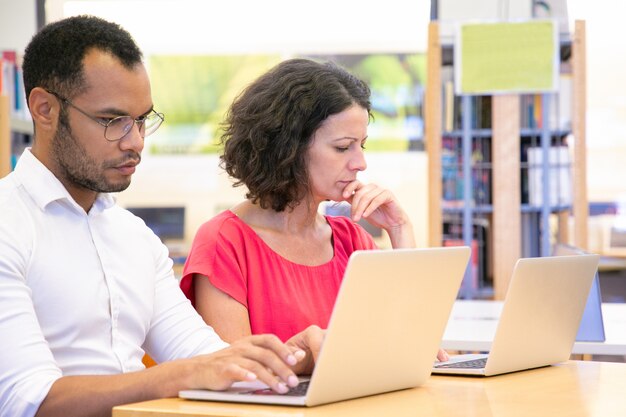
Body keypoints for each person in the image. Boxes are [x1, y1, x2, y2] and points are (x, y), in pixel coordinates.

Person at [0, 16, 323, 417]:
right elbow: (30, 401)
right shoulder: (7, 226)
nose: (135, 141)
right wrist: (182, 375)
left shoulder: (134, 237)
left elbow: (207, 357)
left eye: (141, 120)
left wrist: (292, 358)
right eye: (112, 120)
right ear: (44, 109)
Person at [181, 59, 447, 361]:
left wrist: (400, 230)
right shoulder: (224, 242)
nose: (360, 163)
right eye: (343, 147)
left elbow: (411, 344)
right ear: (288, 149)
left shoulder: (351, 240)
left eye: (362, 145)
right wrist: (317, 358)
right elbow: (234, 372)